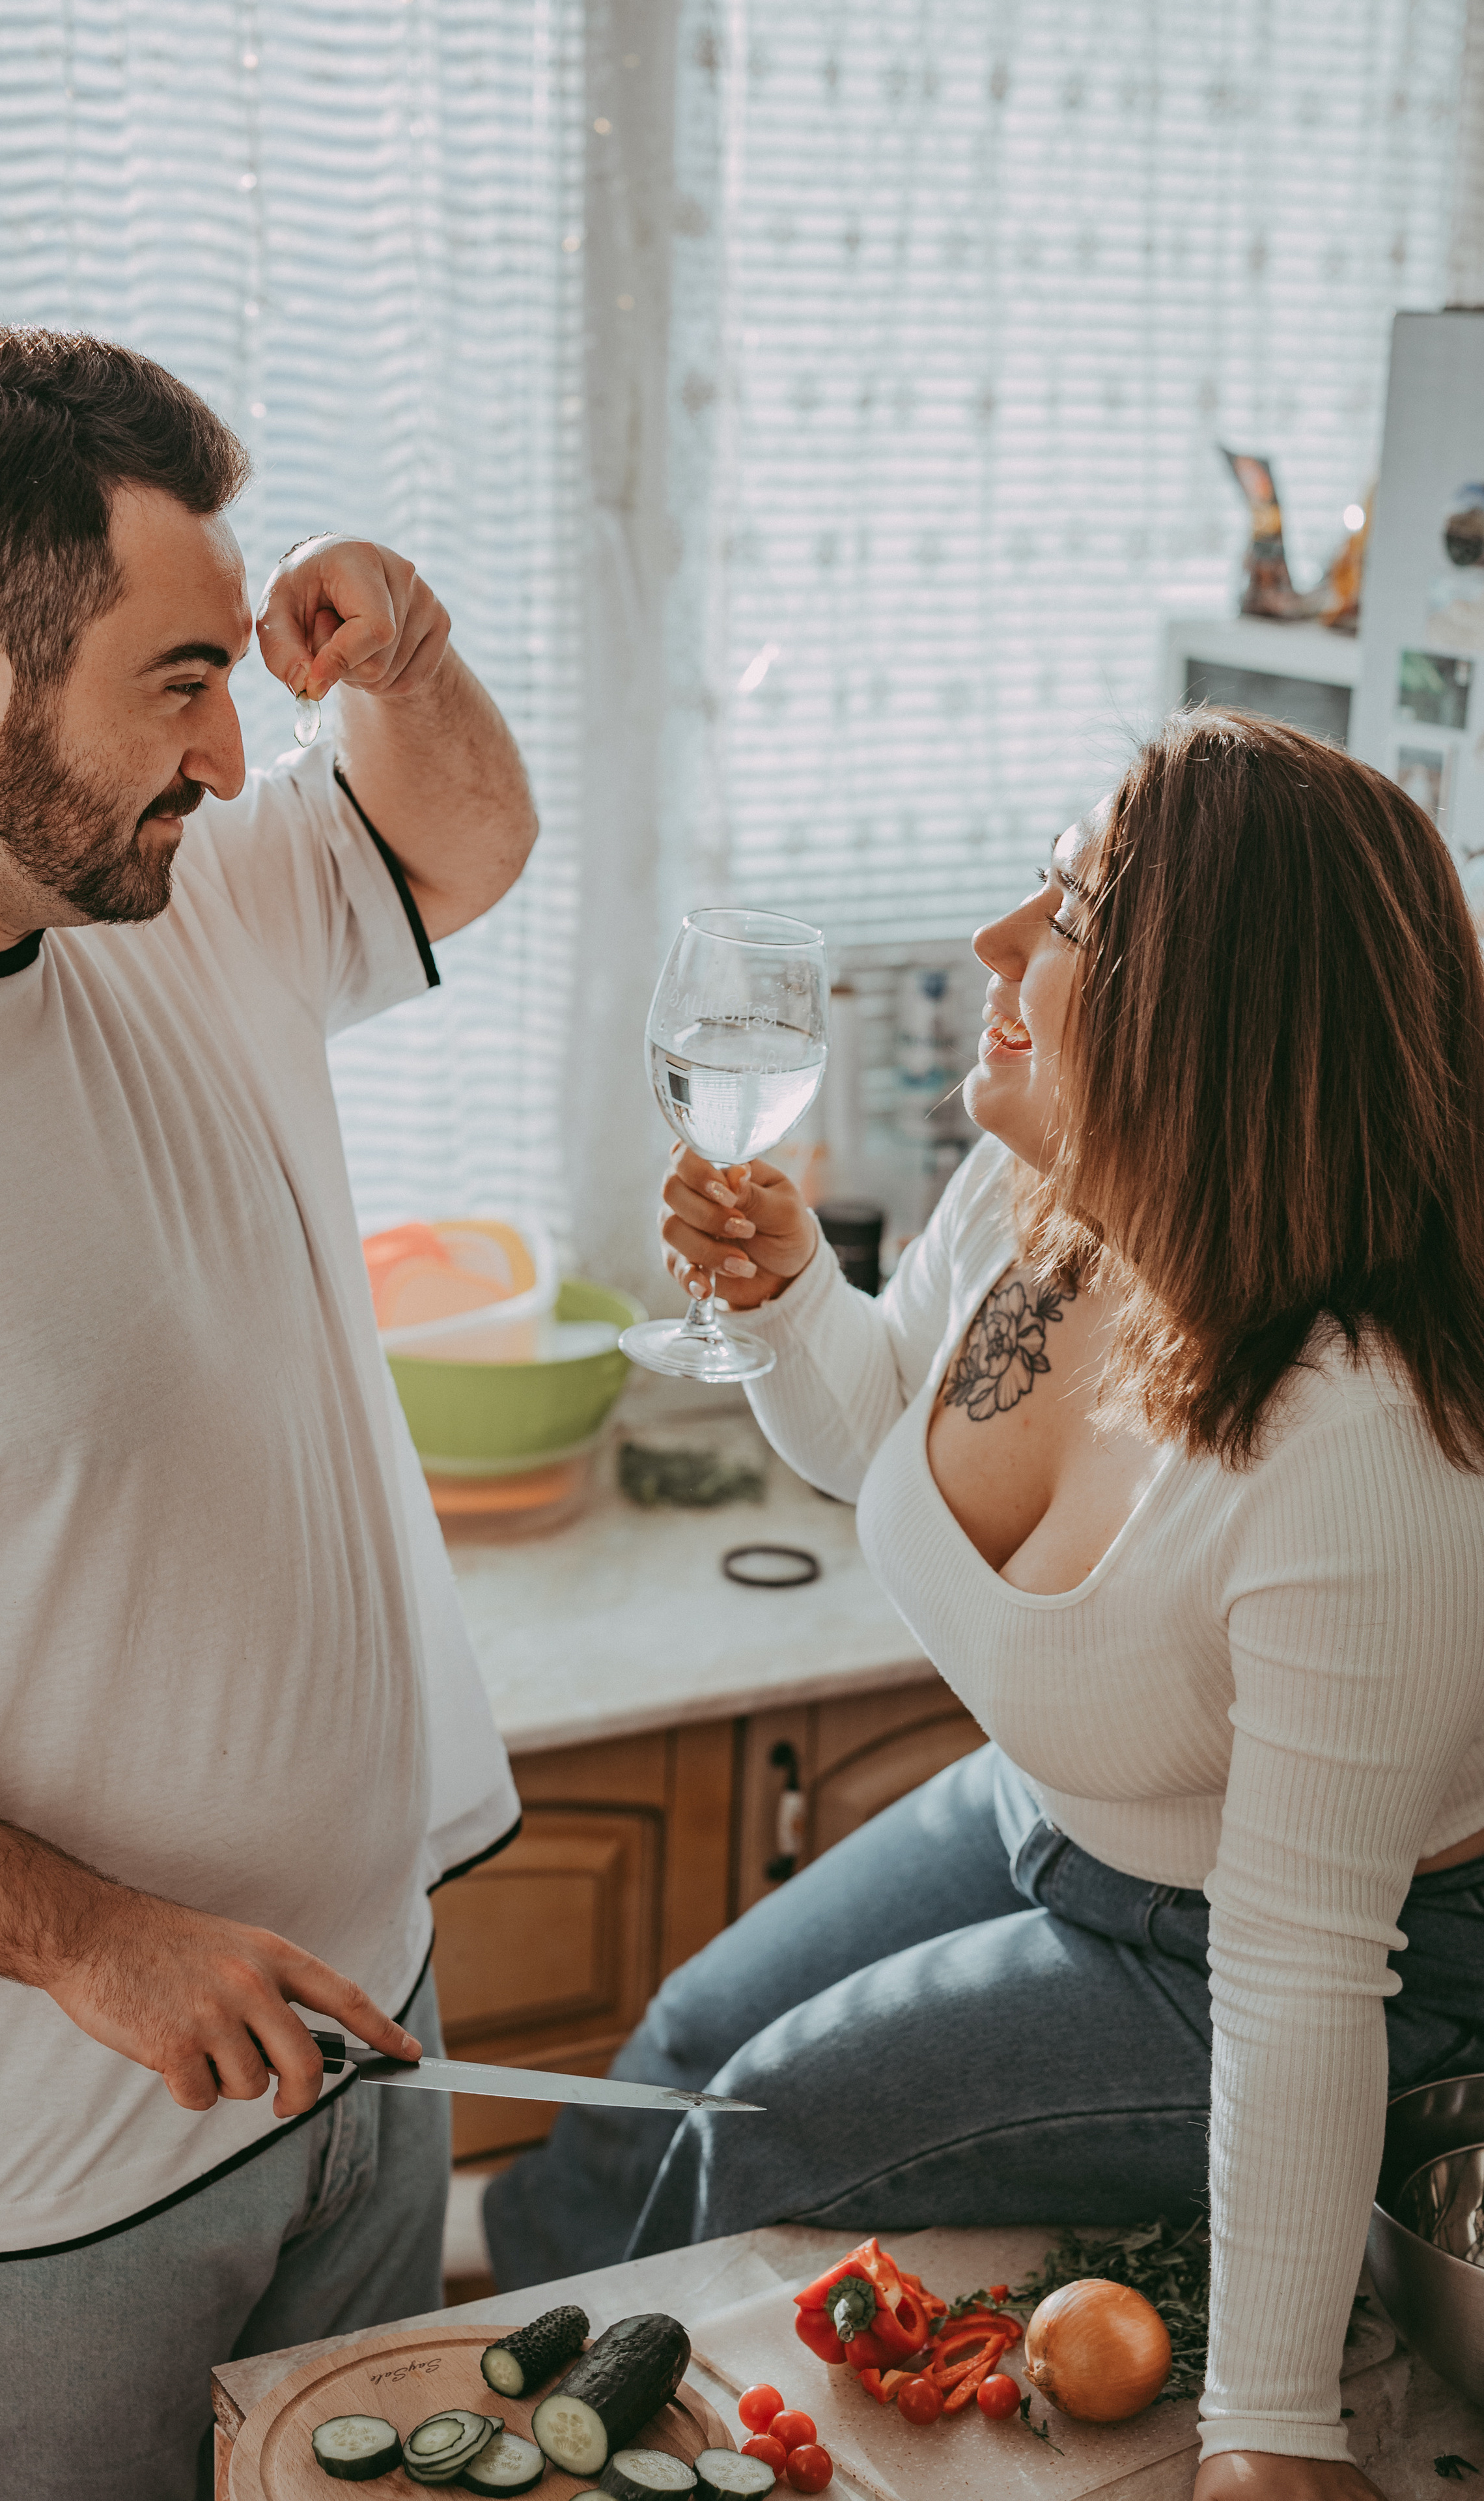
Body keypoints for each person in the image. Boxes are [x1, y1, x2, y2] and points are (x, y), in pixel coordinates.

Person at [486, 712, 1484, 2501]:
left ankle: (600, 2462)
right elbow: (885, 1443)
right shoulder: (1049, 1187)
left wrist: (1273, 2432)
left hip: (1294, 1947)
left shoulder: (1369, 1450)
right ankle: (501, 2391)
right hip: (1067, 1811)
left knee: (765, 2120)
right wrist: (799, 1304)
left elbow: (1301, 1964)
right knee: (680, 2045)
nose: (995, 943)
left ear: (1217, 1009)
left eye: (1076, 910)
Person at [0, 326, 537, 2501]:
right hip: (40, 2182)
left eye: (236, 680)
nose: (234, 758)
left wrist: (398, 650)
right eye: (177, 683)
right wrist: (98, 1942)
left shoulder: (159, 888)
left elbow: (468, 840)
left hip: (366, 2050)